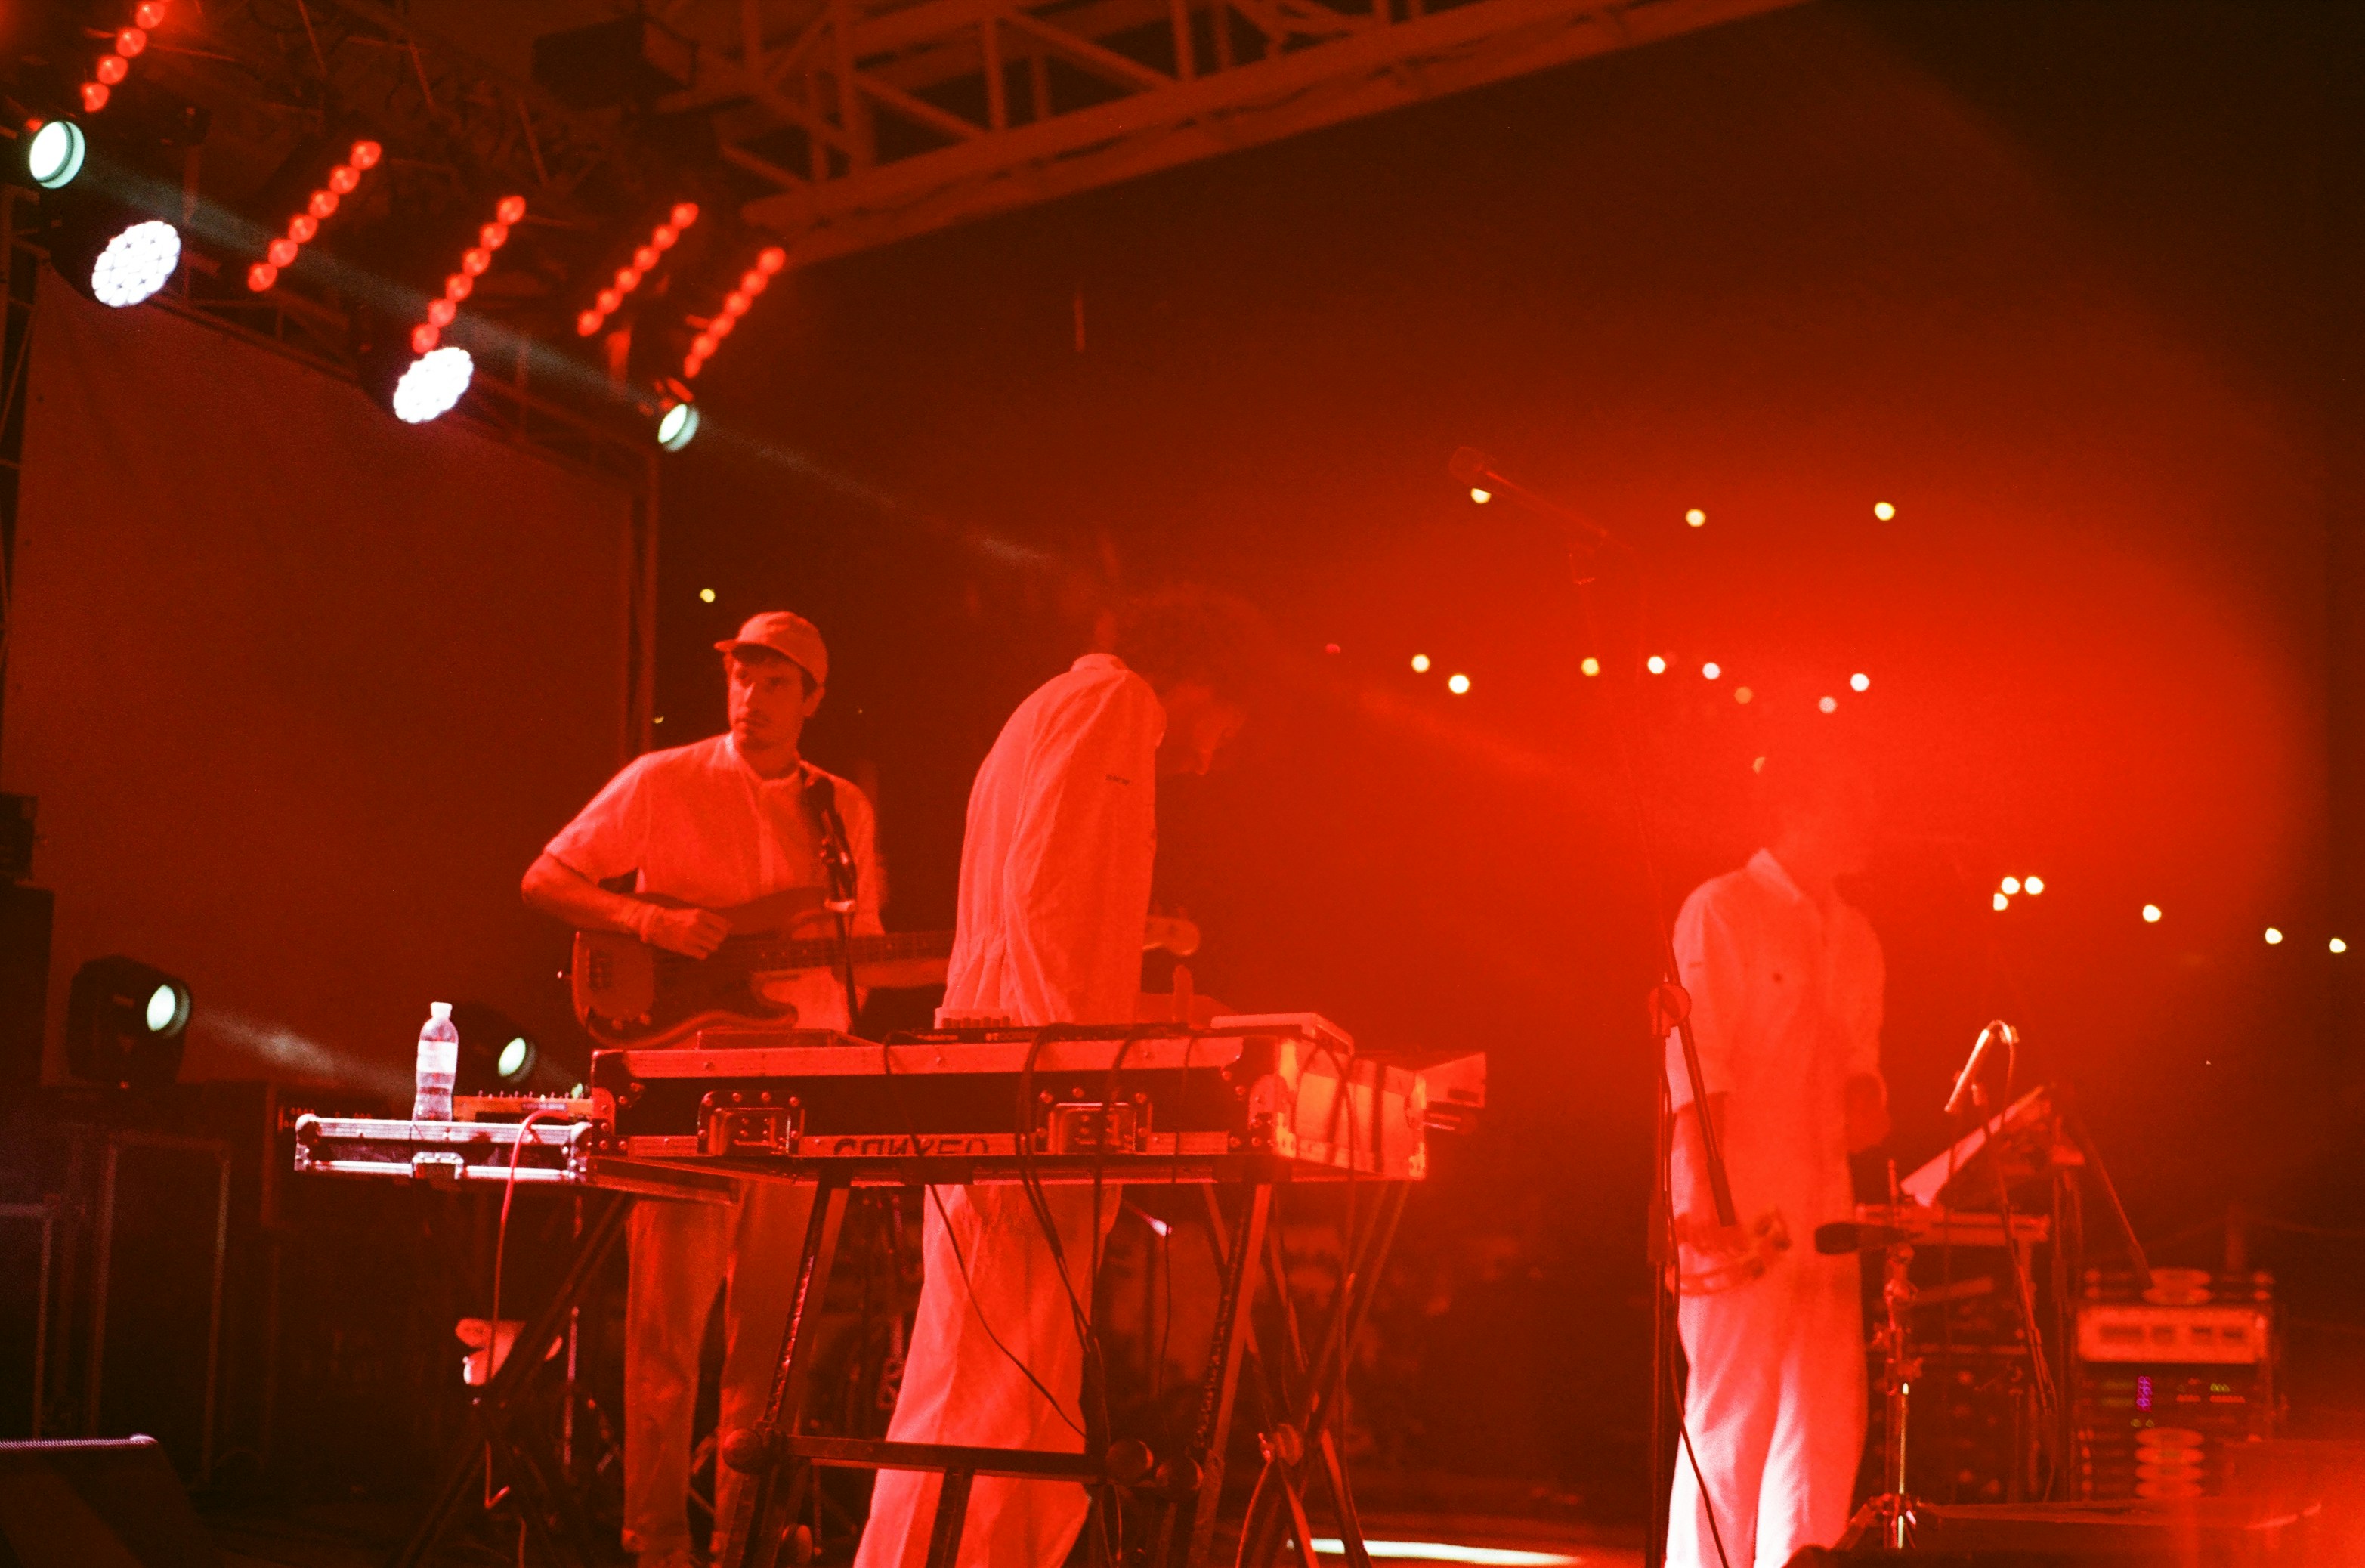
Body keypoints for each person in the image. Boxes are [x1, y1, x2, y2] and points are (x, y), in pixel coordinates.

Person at [855, 589, 1261, 1568]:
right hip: (1030, 1076)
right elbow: (1048, 894)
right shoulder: (1117, 704)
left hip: (1009, 1056)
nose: (1214, 749)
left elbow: (1042, 894)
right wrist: (1071, 1076)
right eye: (1228, 721)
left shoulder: (1051, 706)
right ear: (1207, 681)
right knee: (1007, 1362)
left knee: (978, 1362)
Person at [521, 611, 883, 1568]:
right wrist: (645, 915)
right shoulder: (664, 779)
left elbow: (860, 950)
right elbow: (545, 878)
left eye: (773, 684)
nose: (750, 700)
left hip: (803, 1077)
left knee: (772, 1343)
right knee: (665, 1336)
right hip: (683, 1076)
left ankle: (742, 1540)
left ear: (810, 698)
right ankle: (655, 1543)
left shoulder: (839, 808)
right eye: (740, 678)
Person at [1663, 751, 1890, 1568]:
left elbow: (1863, 1088)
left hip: (1827, 1212)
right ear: (1794, 810)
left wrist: (1871, 1104)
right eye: (1848, 800)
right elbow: (1698, 1066)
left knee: (1824, 1423)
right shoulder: (1722, 908)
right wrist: (1702, 1203)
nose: (1866, 819)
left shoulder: (1858, 935)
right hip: (1740, 1202)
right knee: (1731, 1419)